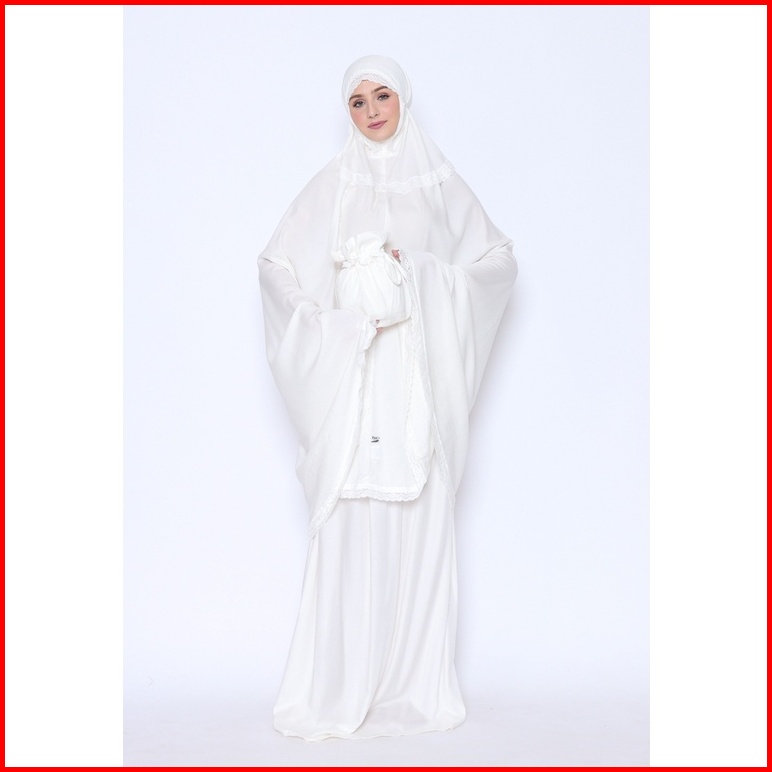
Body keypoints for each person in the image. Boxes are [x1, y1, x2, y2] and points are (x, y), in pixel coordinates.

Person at [258, 55, 517, 741]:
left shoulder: (438, 182)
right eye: (357, 101)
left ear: (403, 98)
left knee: (417, 514)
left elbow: (496, 262)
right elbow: (276, 266)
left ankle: (410, 686)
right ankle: (339, 685)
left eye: (382, 96)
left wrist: (423, 275)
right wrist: (329, 325)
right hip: (356, 379)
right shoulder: (332, 184)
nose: (371, 111)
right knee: (351, 520)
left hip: (415, 383)